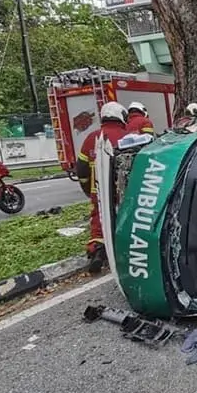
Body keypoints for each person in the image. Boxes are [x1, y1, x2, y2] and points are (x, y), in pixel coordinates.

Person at [75, 101, 129, 273]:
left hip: (98, 191)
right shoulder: (128, 136)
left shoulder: (92, 138)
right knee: (124, 217)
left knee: (98, 219)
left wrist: (87, 189)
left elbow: (81, 169)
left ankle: (97, 250)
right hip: (124, 189)